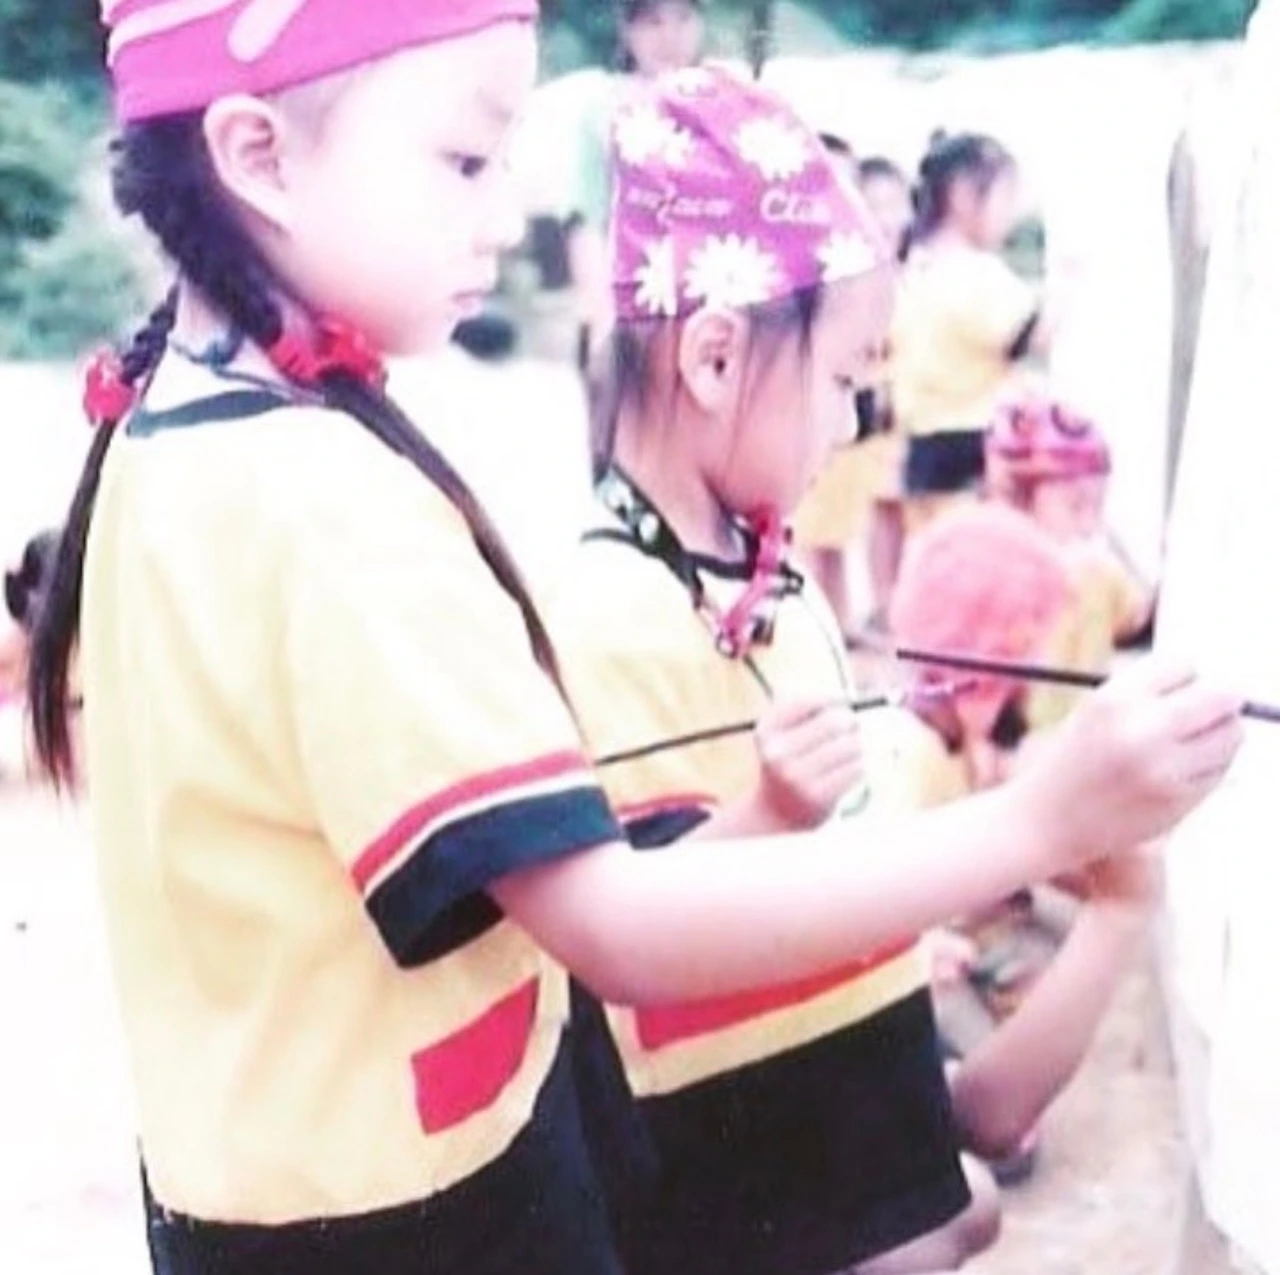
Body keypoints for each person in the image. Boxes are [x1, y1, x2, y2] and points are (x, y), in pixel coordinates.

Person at [30, 4, 1240, 1271]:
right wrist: (1041, 820)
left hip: (259, 1208)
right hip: (423, 1224)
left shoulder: (169, 439)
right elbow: (615, 929)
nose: (508, 216)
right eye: (465, 160)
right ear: (259, 155)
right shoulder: (329, 504)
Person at [551, 71, 1225, 1275]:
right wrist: (781, 817)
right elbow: (624, 953)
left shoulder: (778, 590)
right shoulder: (606, 614)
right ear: (713, 359)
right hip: (737, 1202)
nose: (855, 424)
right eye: (842, 382)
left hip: (837, 1154)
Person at [892, 132, 1048, 535]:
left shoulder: (914, 267)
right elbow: (1031, 336)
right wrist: (1071, 282)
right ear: (964, 196)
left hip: (921, 454)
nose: (1011, 215)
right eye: (1006, 199)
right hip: (976, 453)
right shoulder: (976, 274)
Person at [986, 396, 1155, 730]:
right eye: (1075, 506)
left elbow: (1137, 623)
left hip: (1087, 737)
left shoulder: (1100, 574)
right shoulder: (989, 576)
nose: (1090, 525)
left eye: (1098, 506)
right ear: (1018, 500)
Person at [571, 0, 708, 370]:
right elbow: (586, 220)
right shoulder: (603, 112)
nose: (669, 36)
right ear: (627, 30)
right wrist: (602, 320)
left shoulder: (723, 104)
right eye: (653, 22)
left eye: (682, 19)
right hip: (631, 305)